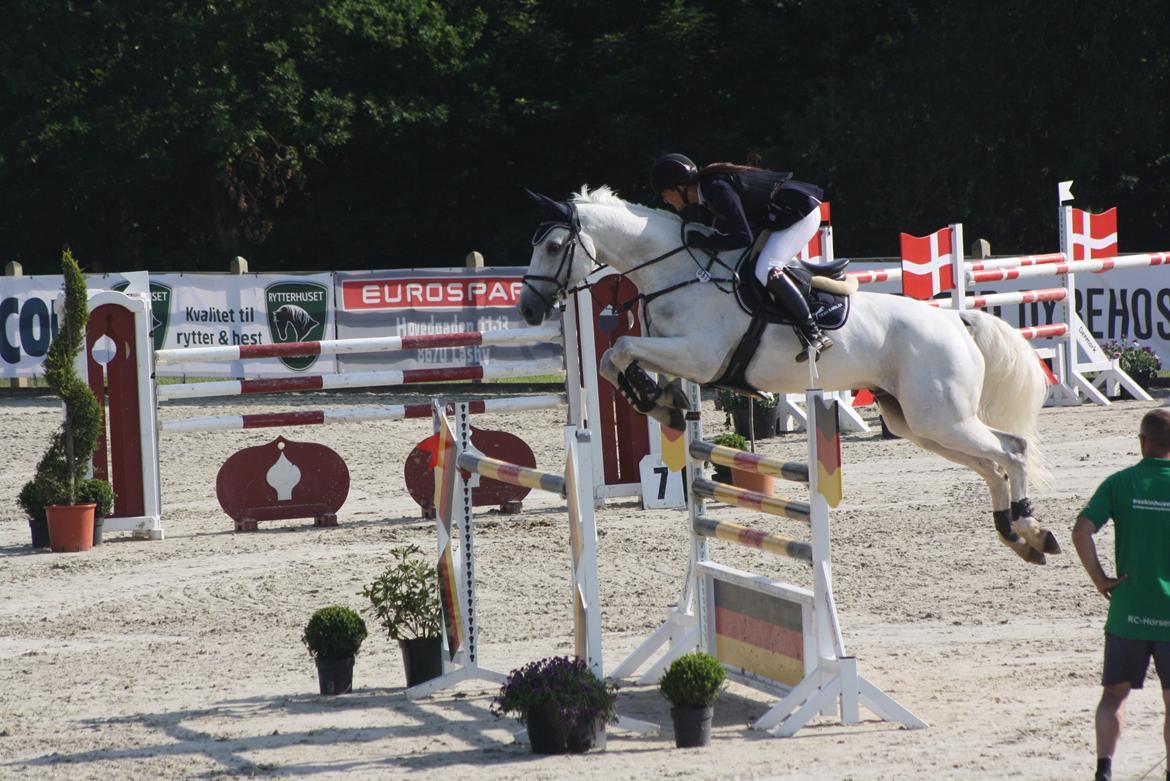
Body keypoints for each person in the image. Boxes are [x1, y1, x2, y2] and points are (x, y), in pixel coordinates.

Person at [648, 153, 831, 362]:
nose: (664, 200)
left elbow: (743, 237)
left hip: (800, 212)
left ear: (678, 186)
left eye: (664, 193)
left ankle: (814, 333)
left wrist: (706, 242)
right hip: (781, 215)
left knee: (766, 269)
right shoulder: (706, 195)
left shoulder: (715, 189)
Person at [1072, 407, 1170, 781]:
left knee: (1113, 696)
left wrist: (1100, 579)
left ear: (1143, 442)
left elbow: (1082, 530)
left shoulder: (1120, 482)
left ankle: (1104, 770)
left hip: (1129, 608)